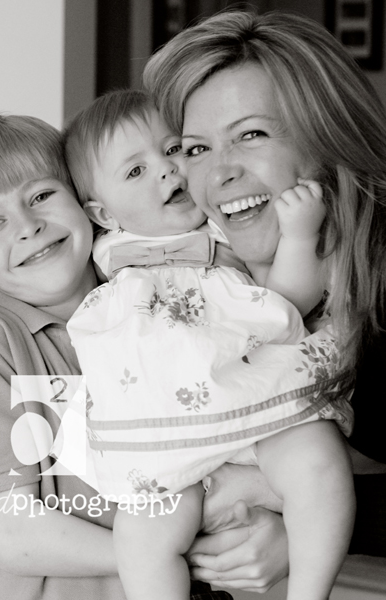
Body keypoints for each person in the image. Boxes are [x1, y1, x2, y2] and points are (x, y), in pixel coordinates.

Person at [59, 88, 354, 600]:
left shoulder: (225, 228)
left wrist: (299, 237)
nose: (166, 170)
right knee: (141, 539)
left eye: (174, 149)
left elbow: (284, 304)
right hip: (164, 437)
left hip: (255, 400)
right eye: (136, 171)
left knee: (319, 464)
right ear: (102, 212)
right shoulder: (104, 256)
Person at [0, 113, 239, 600]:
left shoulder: (159, 301)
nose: (28, 226)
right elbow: (15, 536)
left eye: (41, 196)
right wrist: (169, 554)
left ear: (87, 203)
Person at [143, 8, 386, 560]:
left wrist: (284, 510)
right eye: (196, 148)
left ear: (327, 138)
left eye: (251, 135)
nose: (219, 172)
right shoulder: (200, 284)